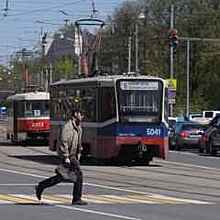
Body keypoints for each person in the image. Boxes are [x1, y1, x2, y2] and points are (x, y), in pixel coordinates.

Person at [35, 109, 87, 205]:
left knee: (61, 177)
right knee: (78, 174)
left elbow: (79, 143)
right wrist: (66, 156)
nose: (83, 116)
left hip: (73, 155)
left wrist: (79, 152)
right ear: (75, 114)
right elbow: (64, 142)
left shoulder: (79, 127)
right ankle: (76, 199)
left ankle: (41, 186)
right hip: (67, 155)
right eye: (81, 114)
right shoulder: (67, 127)